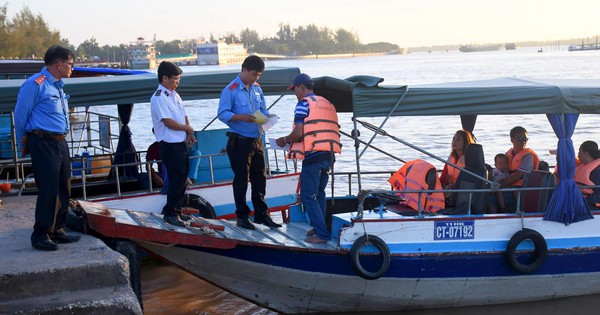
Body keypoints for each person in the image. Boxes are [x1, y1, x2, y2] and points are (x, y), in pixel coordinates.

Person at [14, 45, 81, 251]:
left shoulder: (58, 86)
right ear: (59, 64)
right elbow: (20, 115)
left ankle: (57, 229)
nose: (72, 68)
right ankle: (41, 233)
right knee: (48, 188)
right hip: (42, 141)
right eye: (70, 64)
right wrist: (23, 144)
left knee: (64, 186)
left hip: (60, 142)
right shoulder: (36, 84)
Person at [276, 73, 342, 243]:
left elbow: (299, 133)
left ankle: (322, 234)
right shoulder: (326, 104)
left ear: (301, 87)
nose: (295, 94)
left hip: (313, 156)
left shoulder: (302, 105)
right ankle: (319, 226)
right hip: (329, 155)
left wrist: (284, 140)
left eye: (295, 90)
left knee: (307, 196)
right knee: (319, 193)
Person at [217, 55, 281, 230]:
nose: (256, 78)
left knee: (260, 179)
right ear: (244, 70)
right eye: (254, 74)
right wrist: (240, 117)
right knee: (241, 180)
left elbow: (263, 109)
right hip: (239, 141)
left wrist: (268, 117)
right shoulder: (231, 90)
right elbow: (222, 113)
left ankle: (262, 214)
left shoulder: (257, 89)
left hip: (257, 140)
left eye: (259, 76)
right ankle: (242, 216)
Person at [150, 61, 196, 227]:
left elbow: (183, 115)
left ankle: (176, 210)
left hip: (180, 143)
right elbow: (168, 122)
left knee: (183, 178)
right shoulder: (159, 97)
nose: (177, 82)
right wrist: (187, 128)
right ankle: (170, 213)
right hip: (169, 145)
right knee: (176, 179)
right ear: (164, 78)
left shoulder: (175, 95)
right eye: (175, 79)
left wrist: (188, 132)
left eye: (178, 79)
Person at [499, 126, 539, 210]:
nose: (524, 141)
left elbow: (518, 175)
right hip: (510, 184)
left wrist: (502, 184)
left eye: (525, 139)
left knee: (505, 191)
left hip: (523, 186)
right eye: (520, 139)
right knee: (492, 193)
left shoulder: (528, 156)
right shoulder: (509, 153)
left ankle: (510, 211)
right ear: (512, 140)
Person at [439, 130, 476, 206]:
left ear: (465, 142)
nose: (454, 142)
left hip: (462, 191)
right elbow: (442, 179)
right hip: (449, 189)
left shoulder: (469, 160)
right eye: (453, 139)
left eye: (458, 140)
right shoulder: (451, 159)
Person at [574, 141, 600, 207]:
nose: (578, 153)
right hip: (578, 199)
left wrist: (580, 201)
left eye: (580, 150)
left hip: (592, 205)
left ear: (586, 153)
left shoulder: (596, 171)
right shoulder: (581, 166)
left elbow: (598, 195)